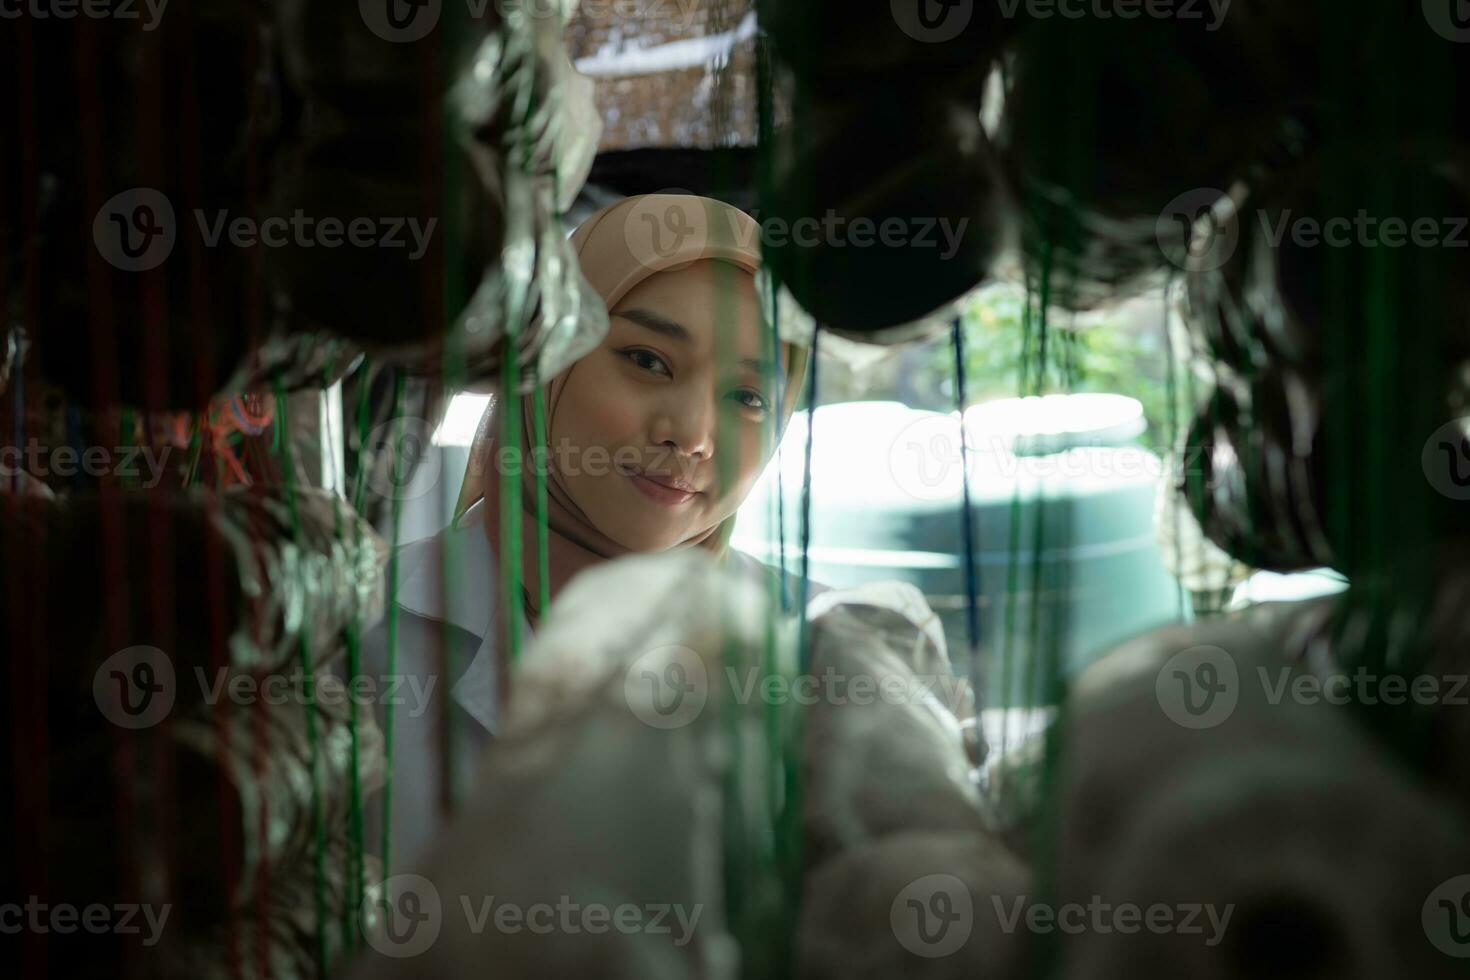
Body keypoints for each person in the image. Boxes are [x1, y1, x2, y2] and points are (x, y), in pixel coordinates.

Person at [358, 194, 820, 866]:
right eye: (647, 360)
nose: (690, 434)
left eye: (748, 398)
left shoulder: (818, 657)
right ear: (547, 357)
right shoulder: (350, 632)